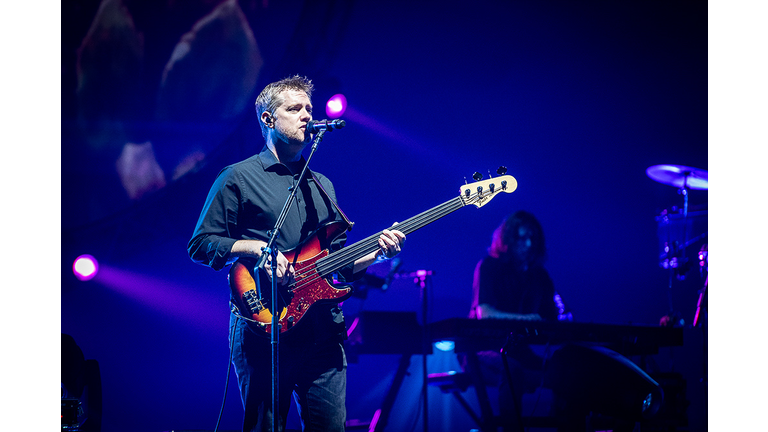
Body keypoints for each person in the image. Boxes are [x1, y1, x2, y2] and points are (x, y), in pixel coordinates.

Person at [188, 75, 405, 432]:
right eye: (294, 108)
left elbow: (338, 262)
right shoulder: (237, 178)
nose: (307, 115)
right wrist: (256, 248)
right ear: (268, 119)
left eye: (309, 108)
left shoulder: (322, 184)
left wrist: (375, 255)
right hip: (265, 324)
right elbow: (200, 244)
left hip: (323, 328)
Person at [467, 210, 571, 431]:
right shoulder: (489, 266)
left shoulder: (539, 276)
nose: (529, 244)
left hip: (520, 352)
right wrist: (527, 319)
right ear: (508, 240)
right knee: (511, 369)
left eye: (533, 238)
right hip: (481, 351)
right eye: (522, 238)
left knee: (567, 372)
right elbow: (484, 312)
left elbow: (551, 319)